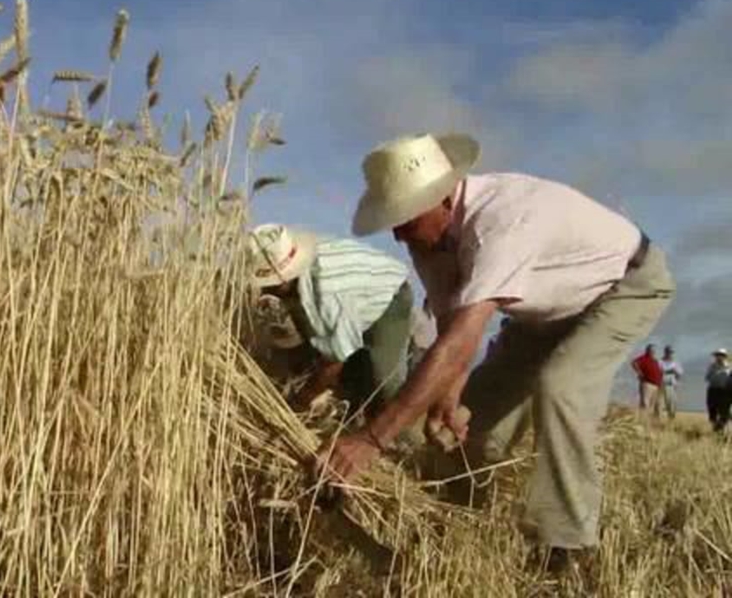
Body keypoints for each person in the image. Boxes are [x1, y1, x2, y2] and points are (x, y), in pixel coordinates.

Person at [314, 132, 675, 574]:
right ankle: (457, 518)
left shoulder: (503, 220)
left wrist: (371, 439)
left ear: (443, 198)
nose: (396, 234)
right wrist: (447, 400)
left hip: (622, 286)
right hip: (541, 312)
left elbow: (462, 338)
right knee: (470, 417)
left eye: (404, 220)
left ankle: (567, 549)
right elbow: (451, 331)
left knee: (560, 389)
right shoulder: (428, 242)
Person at [247, 223, 413, 422]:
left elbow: (335, 360)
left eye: (270, 285)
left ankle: (399, 436)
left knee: (383, 380)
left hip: (389, 296)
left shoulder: (328, 294)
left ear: (284, 281)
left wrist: (301, 400)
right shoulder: (301, 274)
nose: (266, 290)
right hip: (348, 296)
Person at [705, 349, 732, 433]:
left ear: (725, 356)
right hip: (713, 390)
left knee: (724, 412)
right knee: (712, 410)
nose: (719, 357)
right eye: (717, 355)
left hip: (725, 392)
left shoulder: (729, 367)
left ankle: (721, 430)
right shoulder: (711, 366)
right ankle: (716, 428)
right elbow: (707, 378)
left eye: (721, 355)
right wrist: (716, 376)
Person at [631, 344, 663, 414]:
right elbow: (634, 363)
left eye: (654, 350)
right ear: (647, 350)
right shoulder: (644, 358)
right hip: (647, 383)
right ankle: (642, 420)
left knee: (652, 406)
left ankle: (648, 421)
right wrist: (639, 372)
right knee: (645, 403)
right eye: (651, 350)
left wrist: (660, 384)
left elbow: (659, 373)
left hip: (656, 385)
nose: (653, 352)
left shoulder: (655, 361)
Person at [657, 346, 682, 420]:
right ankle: (657, 420)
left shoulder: (675, 363)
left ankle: (671, 419)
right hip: (661, 384)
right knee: (659, 404)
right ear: (665, 352)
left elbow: (679, 374)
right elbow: (658, 372)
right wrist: (669, 371)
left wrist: (676, 377)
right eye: (668, 352)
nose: (670, 354)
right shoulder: (660, 362)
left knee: (671, 404)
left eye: (671, 352)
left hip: (670, 385)